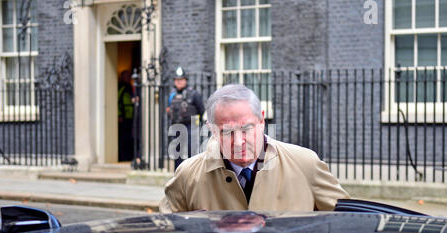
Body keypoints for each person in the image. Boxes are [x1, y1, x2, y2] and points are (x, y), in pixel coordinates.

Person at [159, 84, 350, 213]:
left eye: (246, 128)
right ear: (212, 130)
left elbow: (346, 225)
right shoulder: (187, 175)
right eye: (227, 132)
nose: (239, 142)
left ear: (262, 121)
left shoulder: (305, 164)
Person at [167, 67, 205, 170]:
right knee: (177, 152)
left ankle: (193, 173)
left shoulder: (194, 94)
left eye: (181, 80)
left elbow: (201, 110)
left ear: (185, 80)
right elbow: (168, 110)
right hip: (176, 127)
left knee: (191, 152)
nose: (179, 82)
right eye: (177, 80)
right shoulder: (172, 95)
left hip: (190, 127)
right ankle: (178, 173)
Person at [118, 70, 135, 162]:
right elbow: (117, 101)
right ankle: (123, 157)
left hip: (130, 117)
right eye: (127, 76)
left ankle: (129, 157)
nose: (129, 78)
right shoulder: (121, 87)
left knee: (130, 138)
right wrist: (119, 115)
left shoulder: (130, 87)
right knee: (123, 138)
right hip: (123, 117)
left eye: (129, 76)